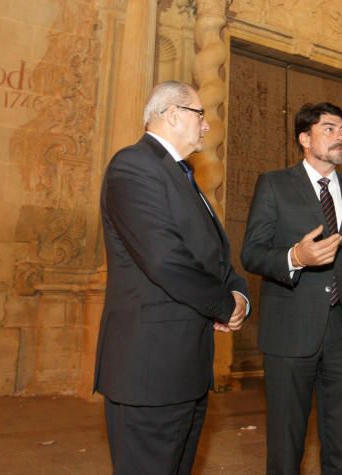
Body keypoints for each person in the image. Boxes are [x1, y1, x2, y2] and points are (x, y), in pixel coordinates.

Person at [95, 80, 250, 475]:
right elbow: (165, 260)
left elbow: (215, 254)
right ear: (174, 114)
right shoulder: (133, 166)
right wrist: (221, 304)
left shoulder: (183, 176)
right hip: (150, 370)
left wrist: (239, 296)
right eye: (201, 116)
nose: (205, 127)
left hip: (186, 371)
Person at [242, 102, 342, 475]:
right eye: (330, 129)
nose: (341, 137)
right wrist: (296, 257)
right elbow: (252, 253)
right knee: (287, 441)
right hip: (290, 330)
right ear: (304, 138)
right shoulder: (273, 184)